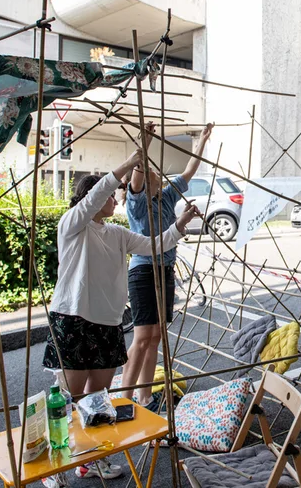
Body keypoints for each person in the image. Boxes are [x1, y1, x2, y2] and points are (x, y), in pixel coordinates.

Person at [41, 125, 199, 486]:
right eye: (113, 196)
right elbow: (98, 193)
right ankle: (58, 467)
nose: (117, 199)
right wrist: (130, 161)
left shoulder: (115, 234)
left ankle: (90, 461)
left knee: (97, 401)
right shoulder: (72, 226)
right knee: (68, 400)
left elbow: (154, 245)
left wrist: (182, 223)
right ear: (94, 199)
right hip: (72, 320)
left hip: (107, 324)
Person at [123, 123, 214, 409]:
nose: (158, 175)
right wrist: (144, 144)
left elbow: (189, 171)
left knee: (156, 336)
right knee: (141, 337)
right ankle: (123, 399)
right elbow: (136, 177)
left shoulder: (166, 195)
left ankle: (145, 395)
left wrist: (202, 142)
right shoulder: (137, 203)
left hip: (165, 270)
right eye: (152, 174)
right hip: (143, 272)